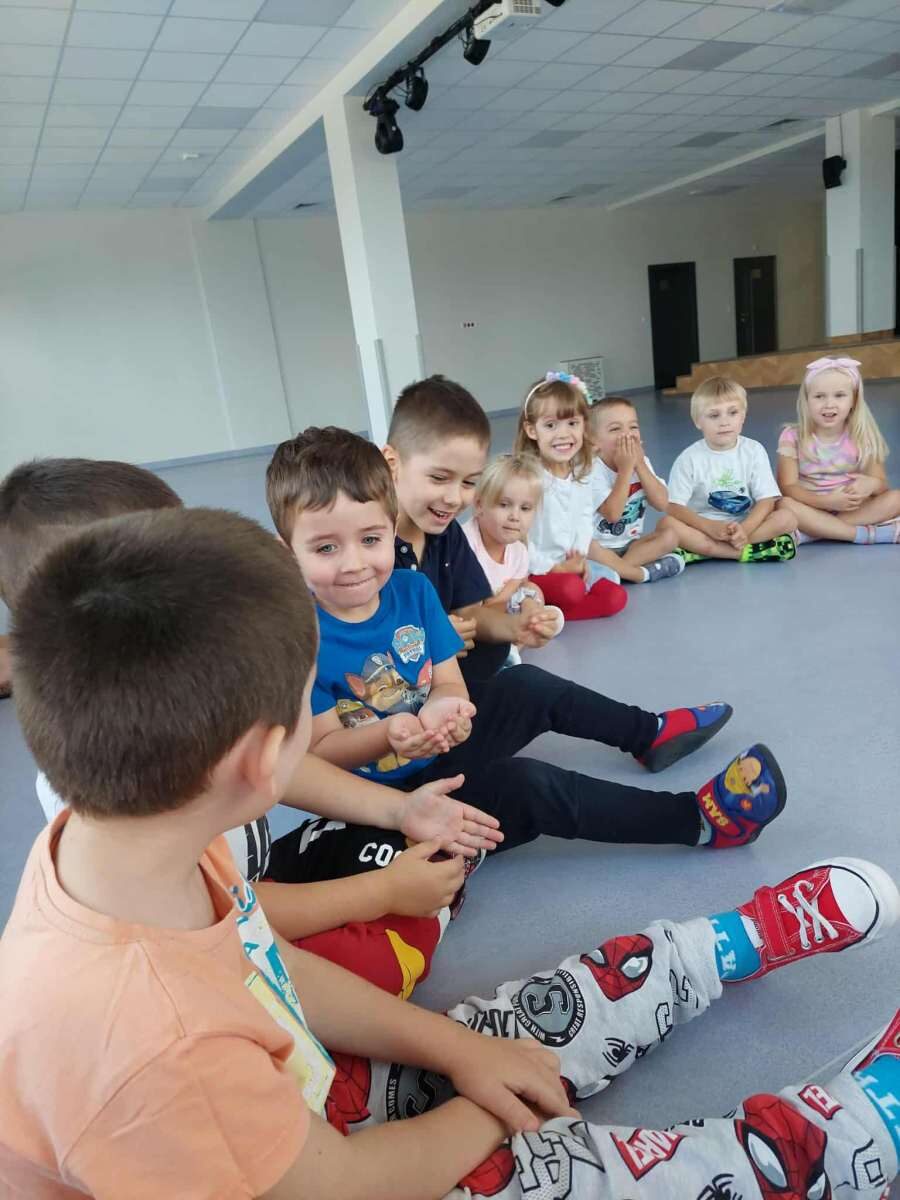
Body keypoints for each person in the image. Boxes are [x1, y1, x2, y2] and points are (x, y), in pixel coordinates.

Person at [3, 504, 898, 1200]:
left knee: (525, 1023)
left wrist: (458, 1050)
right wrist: (483, 1114)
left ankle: (704, 954)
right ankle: (850, 1141)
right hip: (310, 1172)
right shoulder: (156, 1045)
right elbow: (340, 1189)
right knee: (582, 1176)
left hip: (292, 1101)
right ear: (263, 760)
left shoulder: (133, 843)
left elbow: (266, 968)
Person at [0, 458, 503, 1000]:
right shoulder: (122, 804)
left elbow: (288, 776)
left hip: (255, 880)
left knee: (403, 846)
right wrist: (381, 892)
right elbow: (236, 915)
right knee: (370, 954)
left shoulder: (188, 708)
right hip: (223, 950)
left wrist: (401, 811)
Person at [270, 425, 786, 860]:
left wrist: (449, 710)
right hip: (388, 802)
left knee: (524, 684)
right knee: (529, 786)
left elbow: (449, 682)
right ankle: (694, 820)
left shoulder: (413, 590)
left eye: (370, 539)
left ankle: (648, 733)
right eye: (326, 547)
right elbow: (323, 752)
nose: (355, 563)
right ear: (286, 550)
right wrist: (391, 735)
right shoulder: (297, 637)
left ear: (391, 529)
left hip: (437, 748)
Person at [514, 371, 629, 621]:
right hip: (535, 569)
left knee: (616, 594)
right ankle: (536, 606)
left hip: (569, 567)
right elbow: (518, 541)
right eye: (550, 425)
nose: (564, 434)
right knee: (571, 589)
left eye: (572, 424)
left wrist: (579, 561)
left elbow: (583, 521)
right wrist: (556, 568)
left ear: (584, 426)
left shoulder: (581, 473)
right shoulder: (529, 479)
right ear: (532, 430)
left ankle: (551, 613)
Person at [658, 376, 797, 564]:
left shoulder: (754, 450)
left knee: (787, 518)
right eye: (714, 415)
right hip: (703, 527)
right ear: (698, 421)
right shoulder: (688, 459)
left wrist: (744, 530)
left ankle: (704, 550)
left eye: (732, 413)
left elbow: (766, 500)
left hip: (746, 524)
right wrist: (709, 526)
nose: (724, 422)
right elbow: (674, 507)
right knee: (666, 524)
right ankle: (744, 552)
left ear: (743, 416)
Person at [777, 356, 900, 545]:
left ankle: (813, 532)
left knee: (896, 498)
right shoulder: (792, 436)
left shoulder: (862, 436)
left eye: (839, 395)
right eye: (819, 396)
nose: (829, 404)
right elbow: (787, 487)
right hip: (811, 507)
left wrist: (871, 485)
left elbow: (882, 486)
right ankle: (865, 535)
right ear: (807, 400)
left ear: (854, 400)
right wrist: (826, 502)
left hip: (853, 511)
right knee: (784, 505)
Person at [462, 454, 564, 666]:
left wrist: (529, 607)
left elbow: (514, 591)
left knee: (534, 591)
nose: (515, 516)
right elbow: (471, 609)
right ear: (479, 505)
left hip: (499, 610)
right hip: (471, 620)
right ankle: (511, 645)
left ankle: (515, 646)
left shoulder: (519, 551)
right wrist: (514, 607)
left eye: (525, 508)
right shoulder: (465, 545)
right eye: (504, 505)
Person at [587, 396, 683, 584]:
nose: (627, 435)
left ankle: (617, 572)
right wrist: (625, 470)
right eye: (615, 429)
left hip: (631, 546)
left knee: (670, 535)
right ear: (593, 441)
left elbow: (662, 503)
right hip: (599, 548)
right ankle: (640, 574)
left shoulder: (642, 463)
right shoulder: (591, 470)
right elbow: (613, 515)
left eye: (633, 427)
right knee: (587, 546)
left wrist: (639, 465)